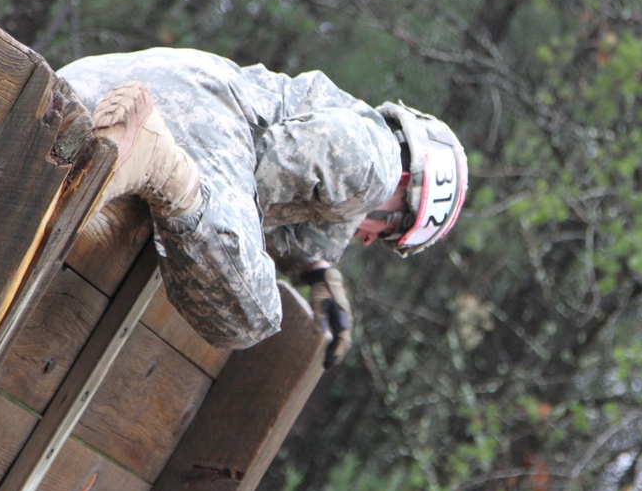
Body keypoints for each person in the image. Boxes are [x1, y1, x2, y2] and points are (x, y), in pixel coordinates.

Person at [57, 47, 466, 366]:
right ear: (406, 186)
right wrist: (227, 239)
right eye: (389, 232)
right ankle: (162, 165)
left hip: (100, 88)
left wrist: (313, 268)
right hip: (202, 119)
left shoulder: (353, 127)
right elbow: (267, 167)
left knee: (240, 262)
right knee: (254, 315)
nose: (369, 239)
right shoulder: (378, 164)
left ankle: (152, 158)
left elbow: (287, 190)